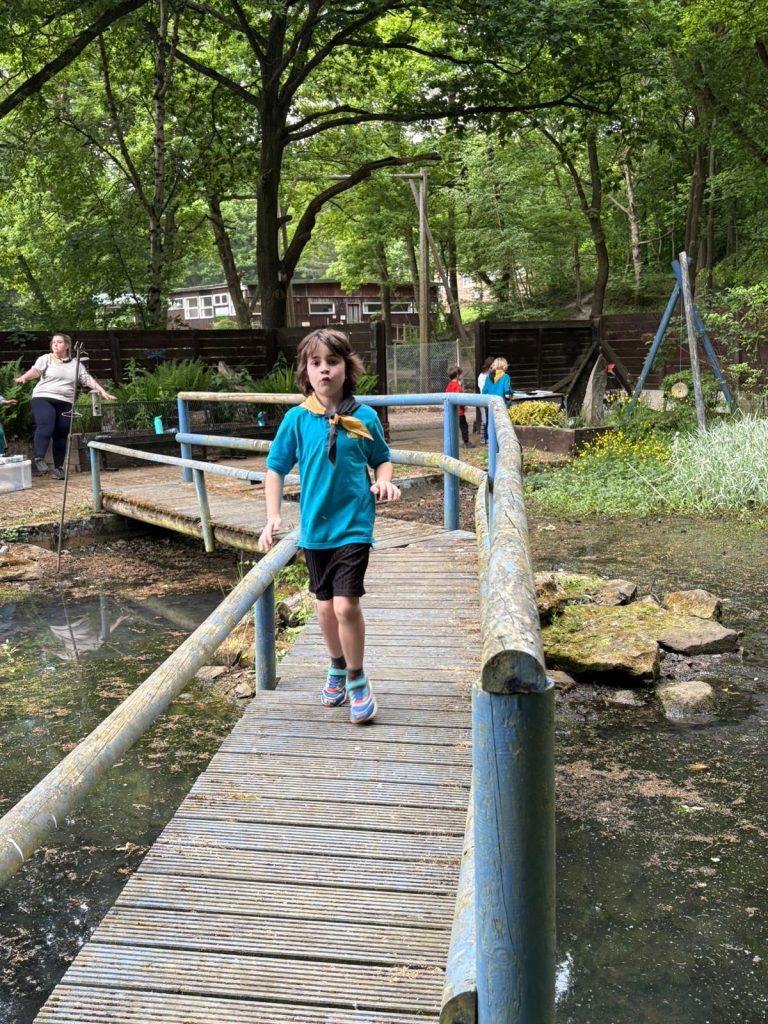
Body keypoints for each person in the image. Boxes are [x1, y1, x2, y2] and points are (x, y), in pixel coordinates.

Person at [258, 328, 400, 725]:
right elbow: (275, 468)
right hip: (315, 529)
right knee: (323, 608)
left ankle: (357, 678)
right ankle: (336, 665)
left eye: (332, 362)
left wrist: (384, 481)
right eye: (316, 363)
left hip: (354, 524)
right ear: (305, 371)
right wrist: (273, 515)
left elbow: (382, 459)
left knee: (345, 604)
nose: (324, 370)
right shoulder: (297, 419)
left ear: (346, 368)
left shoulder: (364, 417)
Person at [14, 333, 116, 479]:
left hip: (66, 401)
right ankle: (39, 458)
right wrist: (24, 377)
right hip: (43, 398)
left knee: (61, 433)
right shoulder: (46, 359)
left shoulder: (76, 364)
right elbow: (35, 371)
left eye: (59, 342)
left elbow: (87, 379)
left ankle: (58, 469)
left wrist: (102, 391)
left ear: (67, 345)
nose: (55, 344)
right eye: (53, 342)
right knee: (46, 424)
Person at [446, 365, 472, 448]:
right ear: (457, 375)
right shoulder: (457, 386)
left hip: (451, 411)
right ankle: (466, 442)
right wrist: (464, 406)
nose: (462, 375)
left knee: (453, 427)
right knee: (464, 426)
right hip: (459, 412)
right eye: (461, 374)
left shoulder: (449, 385)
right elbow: (459, 399)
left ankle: (452, 442)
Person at [477, 356, 494, 444]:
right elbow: (484, 389)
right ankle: (485, 438)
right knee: (485, 419)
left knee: (489, 419)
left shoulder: (492, 375)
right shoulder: (482, 376)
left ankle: (487, 437)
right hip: (484, 400)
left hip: (491, 400)